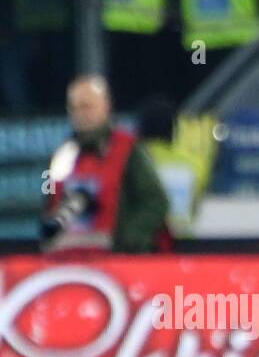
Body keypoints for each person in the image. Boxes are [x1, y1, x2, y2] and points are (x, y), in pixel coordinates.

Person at [41, 75, 171, 253]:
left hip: (120, 262)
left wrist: (123, 240)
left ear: (105, 106)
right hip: (69, 262)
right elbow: (50, 205)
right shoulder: (62, 155)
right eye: (74, 108)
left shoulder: (129, 149)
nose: (81, 114)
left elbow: (155, 202)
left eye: (87, 106)